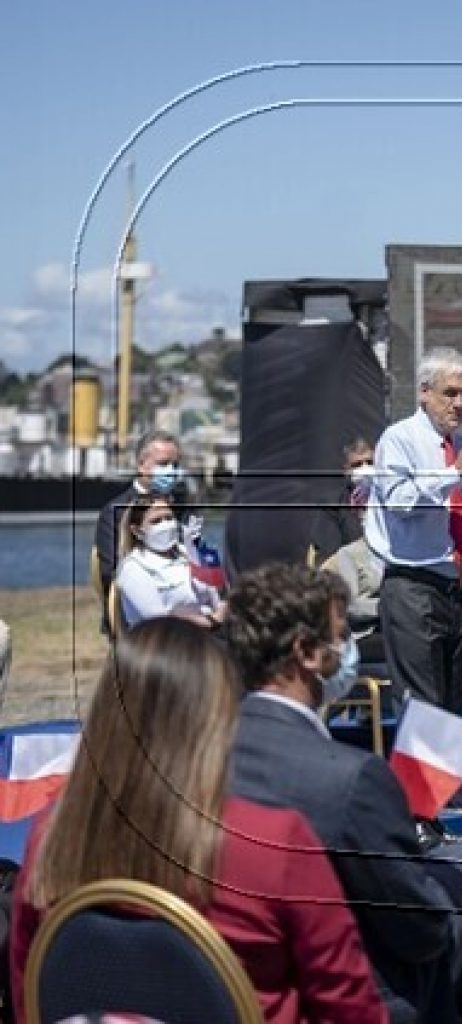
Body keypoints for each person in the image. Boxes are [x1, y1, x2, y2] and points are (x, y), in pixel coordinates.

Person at [9, 617, 386, 1024]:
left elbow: (29, 995)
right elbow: (352, 1010)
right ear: (218, 719)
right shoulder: (273, 845)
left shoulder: (53, 835)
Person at [225, 562, 462, 1024]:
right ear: (308, 654)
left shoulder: (200, 756)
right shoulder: (350, 779)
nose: (351, 648)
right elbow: (420, 929)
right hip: (335, 989)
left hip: (236, 982)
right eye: (343, 634)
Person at [364, 346, 462, 715]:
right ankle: (413, 776)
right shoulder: (399, 439)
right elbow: (399, 501)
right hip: (413, 586)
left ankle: (448, 776)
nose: (459, 403)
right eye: (449, 393)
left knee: (450, 710)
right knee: (422, 709)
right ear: (424, 392)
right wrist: (452, 475)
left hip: (458, 588)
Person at [93, 429, 188, 625]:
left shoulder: (184, 508)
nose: (171, 470)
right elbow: (111, 572)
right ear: (141, 465)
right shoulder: (115, 512)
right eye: (163, 464)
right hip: (136, 616)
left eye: (175, 465)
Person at [115, 494, 225, 630]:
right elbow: (159, 620)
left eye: (169, 518)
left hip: (210, 635)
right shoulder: (133, 568)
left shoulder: (186, 552)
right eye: (156, 521)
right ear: (137, 530)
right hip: (166, 644)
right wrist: (211, 622)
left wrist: (198, 552)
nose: (165, 525)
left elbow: (217, 593)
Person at [322, 457, 386, 666]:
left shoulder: (400, 552)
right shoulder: (349, 554)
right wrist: (391, 606)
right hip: (365, 633)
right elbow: (352, 606)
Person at [309, 437, 377, 566]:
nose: (365, 468)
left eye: (370, 462)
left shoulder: (391, 500)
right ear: (346, 470)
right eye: (357, 465)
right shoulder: (332, 505)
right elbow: (330, 553)